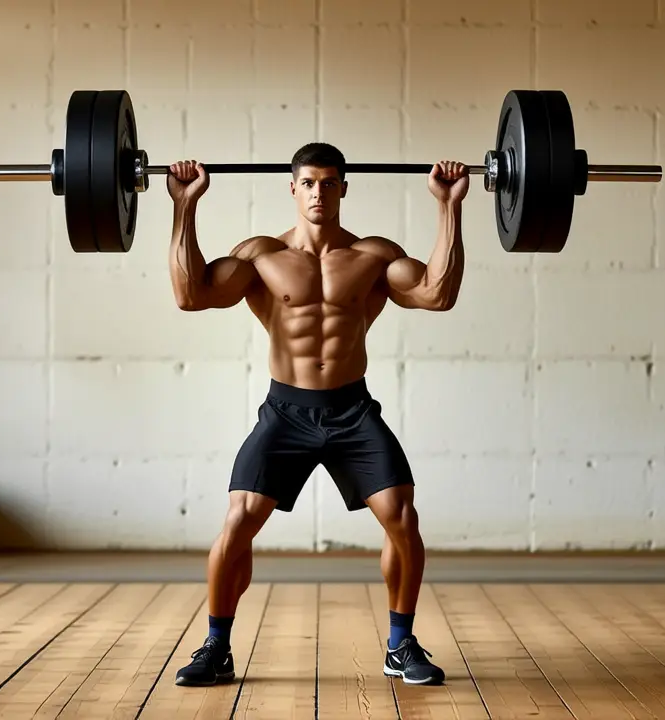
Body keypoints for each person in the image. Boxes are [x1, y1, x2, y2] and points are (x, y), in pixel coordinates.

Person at [166, 143, 468, 687]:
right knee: (238, 521)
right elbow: (191, 295)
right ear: (292, 188)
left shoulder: (373, 256)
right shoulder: (261, 255)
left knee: (402, 518)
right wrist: (184, 205)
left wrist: (449, 206)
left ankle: (400, 645)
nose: (318, 193)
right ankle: (217, 646)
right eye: (308, 183)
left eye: (329, 183)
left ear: (344, 188)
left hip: (352, 410)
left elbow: (437, 294)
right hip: (287, 412)